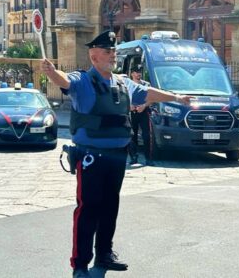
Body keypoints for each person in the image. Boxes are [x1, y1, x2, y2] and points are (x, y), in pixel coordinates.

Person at [41, 31, 192, 278]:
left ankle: (104, 254)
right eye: (108, 51)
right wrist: (51, 72)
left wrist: (176, 98)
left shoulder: (122, 82)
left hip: (117, 156)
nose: (113, 54)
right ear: (94, 56)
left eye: (113, 50)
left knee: (110, 207)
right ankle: (80, 264)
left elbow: (149, 93)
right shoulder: (82, 80)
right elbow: (64, 81)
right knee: (88, 210)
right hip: (91, 156)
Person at [127, 66, 153, 166]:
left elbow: (151, 98)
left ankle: (149, 159)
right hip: (132, 113)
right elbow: (123, 97)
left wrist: (144, 105)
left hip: (144, 112)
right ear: (132, 74)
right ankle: (133, 157)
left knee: (147, 135)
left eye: (140, 72)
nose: (139, 74)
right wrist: (129, 106)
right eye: (136, 72)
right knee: (132, 135)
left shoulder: (146, 84)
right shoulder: (127, 84)